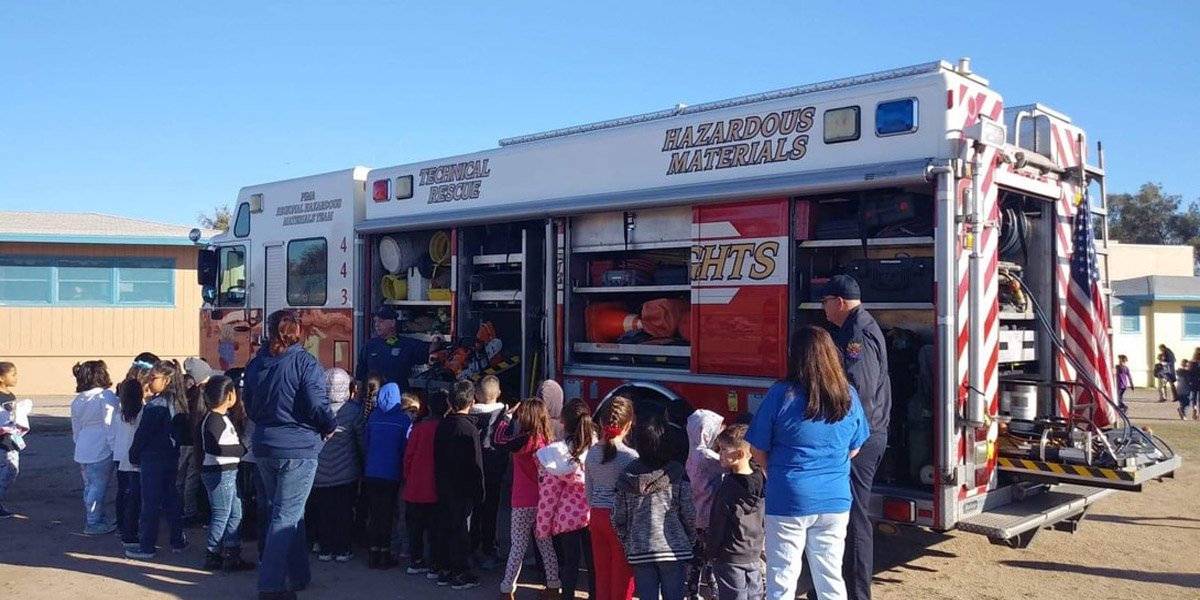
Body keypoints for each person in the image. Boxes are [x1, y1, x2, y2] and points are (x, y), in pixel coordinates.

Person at [747, 326, 871, 600]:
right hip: (835, 498)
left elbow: (757, 447)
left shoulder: (781, 394)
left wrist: (773, 471)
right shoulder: (847, 395)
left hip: (788, 497)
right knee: (830, 577)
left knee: (782, 577)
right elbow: (856, 446)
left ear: (796, 356)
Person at [244, 310, 337, 600]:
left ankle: (298, 575)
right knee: (286, 516)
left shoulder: (256, 363)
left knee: (286, 512)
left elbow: (248, 403)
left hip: (264, 444)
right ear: (298, 332)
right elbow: (317, 404)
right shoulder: (305, 363)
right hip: (298, 447)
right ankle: (271, 586)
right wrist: (329, 426)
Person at [820, 274, 890, 600]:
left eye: (825, 302)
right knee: (850, 516)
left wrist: (848, 438)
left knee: (856, 518)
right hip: (866, 433)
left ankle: (858, 594)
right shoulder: (856, 326)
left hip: (861, 438)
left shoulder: (857, 333)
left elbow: (859, 389)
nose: (823, 308)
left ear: (839, 302)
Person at [612, 412, 696, 600]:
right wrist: (690, 539)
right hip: (674, 549)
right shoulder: (677, 474)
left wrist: (627, 541)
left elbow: (618, 516)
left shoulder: (627, 476)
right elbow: (689, 511)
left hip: (640, 549)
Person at [495, 398, 560, 599]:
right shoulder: (547, 442)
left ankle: (507, 589)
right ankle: (552, 585)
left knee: (518, 546)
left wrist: (506, 417)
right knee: (545, 543)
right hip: (543, 500)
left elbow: (498, 440)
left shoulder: (522, 441)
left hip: (522, 500)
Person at [127, 360, 190, 559]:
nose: (149, 380)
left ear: (167, 380)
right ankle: (178, 541)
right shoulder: (178, 402)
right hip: (170, 456)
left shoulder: (156, 405)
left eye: (153, 377)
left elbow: (143, 434)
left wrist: (133, 454)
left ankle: (147, 545)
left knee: (150, 502)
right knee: (171, 499)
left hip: (153, 458)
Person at [537, 397, 596, 600]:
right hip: (592, 513)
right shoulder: (597, 451)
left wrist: (543, 526)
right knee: (592, 561)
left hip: (566, 516)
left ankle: (567, 596)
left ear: (564, 423)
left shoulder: (556, 454)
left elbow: (549, 495)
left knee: (570, 562)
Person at [308, 367, 364, 564]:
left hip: (319, 472)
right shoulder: (352, 412)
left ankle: (325, 548)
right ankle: (342, 549)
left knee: (323, 511)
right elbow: (361, 441)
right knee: (344, 512)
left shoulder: (315, 410)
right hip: (346, 471)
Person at [434, 379, 485, 590]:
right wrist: (480, 492)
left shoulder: (443, 425)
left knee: (445, 527)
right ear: (472, 402)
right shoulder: (469, 430)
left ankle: (444, 568)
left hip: (444, 484)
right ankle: (461, 571)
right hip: (463, 489)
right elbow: (476, 465)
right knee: (461, 530)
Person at [199, 375, 254, 571]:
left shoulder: (222, 418)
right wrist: (240, 451)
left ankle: (232, 552)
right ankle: (212, 552)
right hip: (219, 472)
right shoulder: (214, 419)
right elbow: (213, 447)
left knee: (236, 512)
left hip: (228, 471)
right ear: (230, 395)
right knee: (222, 514)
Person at [587, 395, 638, 600]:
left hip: (597, 516)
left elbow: (588, 493)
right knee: (622, 579)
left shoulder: (591, 452)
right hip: (620, 518)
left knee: (603, 576)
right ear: (628, 425)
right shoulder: (630, 457)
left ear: (600, 423)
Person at [707, 424, 765, 600]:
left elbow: (718, 523)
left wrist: (712, 552)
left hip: (729, 555)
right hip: (753, 552)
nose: (720, 453)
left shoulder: (728, 488)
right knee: (755, 595)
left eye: (724, 449)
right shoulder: (761, 480)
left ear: (739, 454)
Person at [363, 382, 411, 569]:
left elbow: (366, 442)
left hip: (372, 471)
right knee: (388, 513)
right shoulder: (403, 420)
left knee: (375, 513)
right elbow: (405, 448)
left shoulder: (373, 417)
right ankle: (385, 554)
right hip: (391, 472)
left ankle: (373, 554)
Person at [402, 388, 448, 576]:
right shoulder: (445, 428)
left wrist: (408, 477)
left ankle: (416, 560)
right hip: (436, 488)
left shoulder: (419, 429)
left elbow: (408, 457)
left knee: (415, 528)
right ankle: (435, 564)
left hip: (415, 486)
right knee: (436, 529)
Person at [70, 360, 118, 536]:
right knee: (98, 488)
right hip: (101, 448)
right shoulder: (105, 396)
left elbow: (76, 428)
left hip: (83, 448)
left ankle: (97, 517)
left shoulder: (78, 400)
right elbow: (110, 425)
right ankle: (93, 522)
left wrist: (79, 444)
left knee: (89, 487)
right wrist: (115, 448)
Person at [685, 409, 725, 600]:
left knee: (696, 558)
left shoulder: (692, 452)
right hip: (710, 516)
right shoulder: (708, 457)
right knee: (712, 559)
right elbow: (729, 465)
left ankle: (692, 591)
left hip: (695, 515)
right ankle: (715, 593)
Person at [468, 374, 506, 570]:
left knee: (473, 511)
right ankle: (489, 551)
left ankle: (470, 548)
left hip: (472, 473)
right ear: (498, 393)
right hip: (494, 473)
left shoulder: (469, 416)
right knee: (490, 512)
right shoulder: (503, 416)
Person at [114, 365, 151, 550]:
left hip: (121, 459)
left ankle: (122, 526)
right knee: (134, 499)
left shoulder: (119, 413)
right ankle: (130, 533)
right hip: (136, 461)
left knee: (123, 495)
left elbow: (113, 435)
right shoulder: (142, 412)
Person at [355, 306, 433, 392]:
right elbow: (360, 376)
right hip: (374, 399)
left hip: (398, 399)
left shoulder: (407, 344)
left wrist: (437, 340)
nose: (377, 324)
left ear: (393, 323)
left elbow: (430, 353)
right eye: (375, 321)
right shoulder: (369, 346)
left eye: (381, 321)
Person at [182, 357, 215, 527]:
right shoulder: (203, 395)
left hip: (188, 443)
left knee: (186, 478)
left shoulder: (187, 393)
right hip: (199, 445)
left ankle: (187, 511)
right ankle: (192, 512)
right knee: (195, 478)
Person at [0, 361, 22, 519]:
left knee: (11, 471)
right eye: (12, 374)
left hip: (11, 438)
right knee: (6, 470)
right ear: (1, 377)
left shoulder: (10, 395)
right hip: (1, 440)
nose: (16, 377)